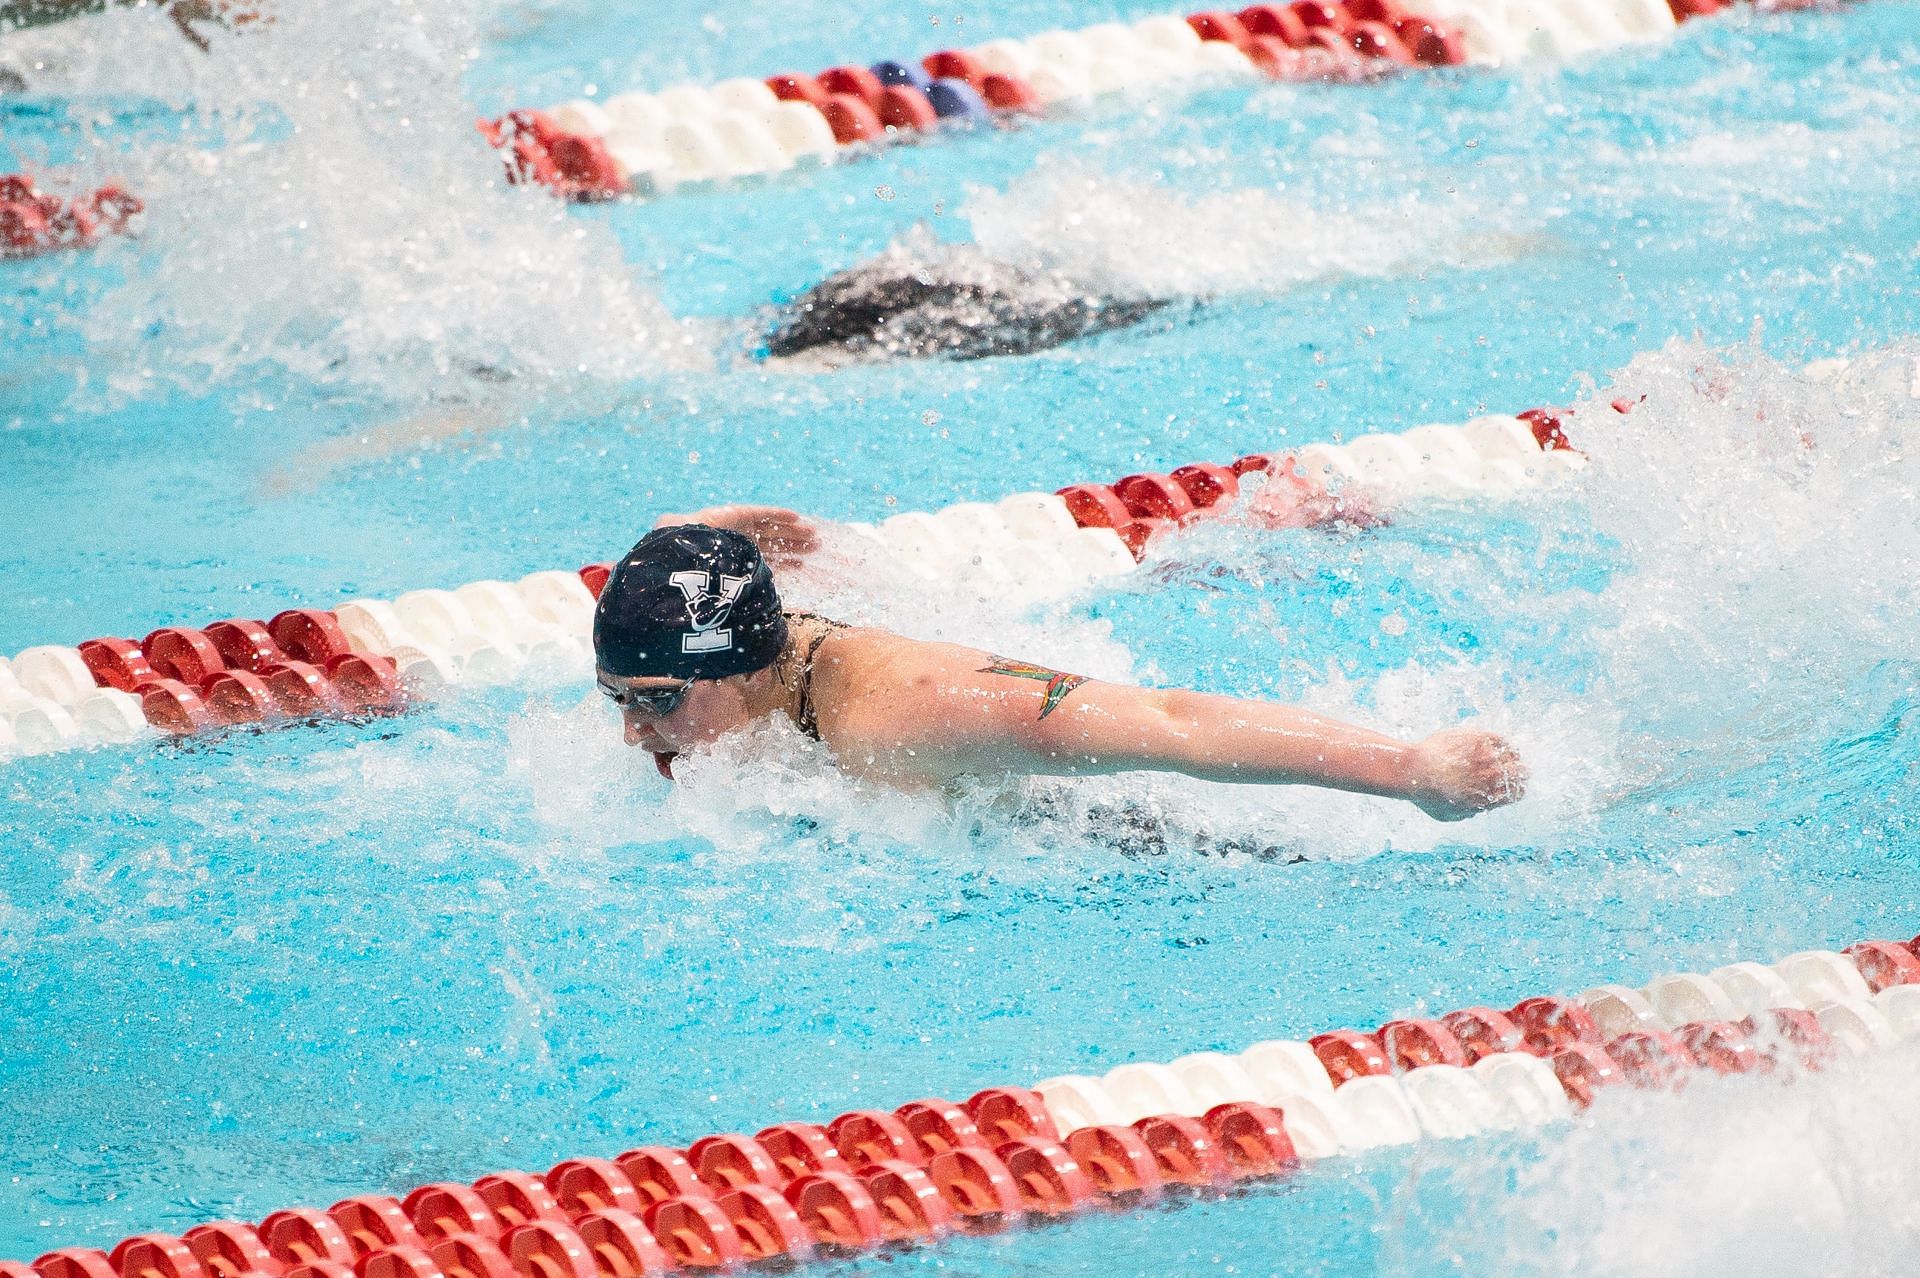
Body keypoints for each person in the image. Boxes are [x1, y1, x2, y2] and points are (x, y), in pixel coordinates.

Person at [593, 507, 1525, 821]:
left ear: (754, 671)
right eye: (619, 700)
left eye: (660, 700)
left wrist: (1413, 770)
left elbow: (1173, 723)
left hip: (1135, 832)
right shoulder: (729, 660)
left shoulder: (904, 714)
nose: (634, 730)